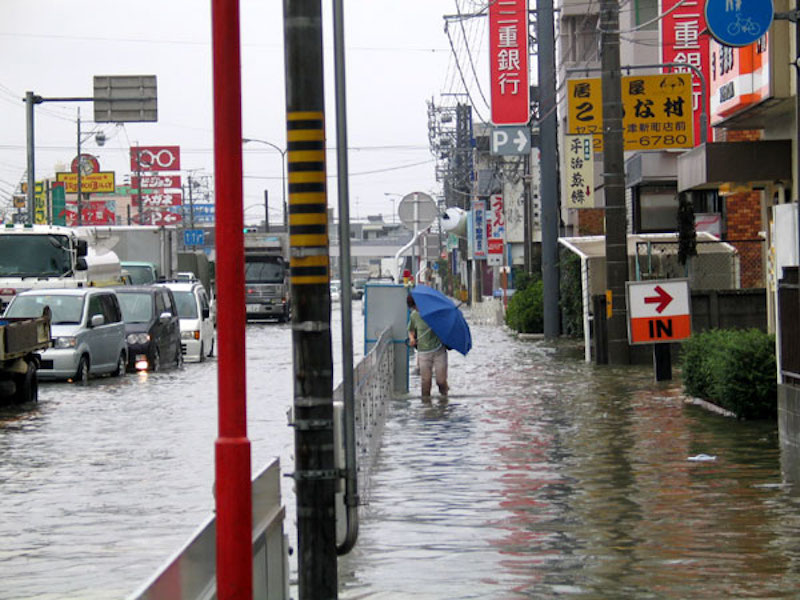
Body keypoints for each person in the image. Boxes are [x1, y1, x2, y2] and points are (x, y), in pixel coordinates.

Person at [407, 293, 448, 399]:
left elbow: (444, 327)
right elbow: (411, 330)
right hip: (423, 353)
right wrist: (412, 339)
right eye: (414, 307)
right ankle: (426, 407)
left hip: (439, 350)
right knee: (426, 382)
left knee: (441, 381)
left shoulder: (435, 313)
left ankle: (444, 399)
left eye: (416, 306)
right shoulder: (414, 316)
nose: (416, 309)